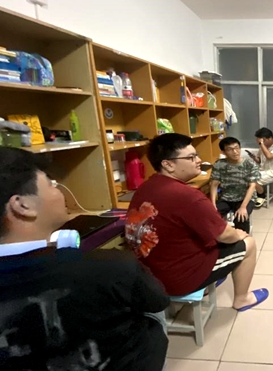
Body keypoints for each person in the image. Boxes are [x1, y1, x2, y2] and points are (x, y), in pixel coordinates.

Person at [0, 147, 169, 371]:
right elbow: (158, 301)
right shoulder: (111, 267)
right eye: (51, 184)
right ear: (23, 205)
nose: (60, 191)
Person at [126, 133, 268, 311]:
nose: (199, 160)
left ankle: (212, 278)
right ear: (168, 164)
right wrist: (238, 234)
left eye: (196, 155)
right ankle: (242, 299)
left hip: (147, 273)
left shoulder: (145, 187)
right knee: (248, 243)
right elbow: (225, 235)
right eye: (191, 157)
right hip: (174, 279)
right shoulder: (187, 196)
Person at [210, 137, 260, 233]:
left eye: (237, 148)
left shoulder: (250, 164)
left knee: (241, 218)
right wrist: (213, 205)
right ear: (223, 152)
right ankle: (221, 238)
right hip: (226, 198)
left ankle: (242, 240)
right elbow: (214, 185)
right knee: (211, 216)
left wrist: (243, 207)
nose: (235, 152)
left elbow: (252, 186)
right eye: (230, 149)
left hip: (245, 198)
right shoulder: (219, 164)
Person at [247, 128, 273, 207]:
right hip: (262, 170)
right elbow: (260, 161)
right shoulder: (263, 147)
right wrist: (253, 157)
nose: (261, 143)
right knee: (246, 176)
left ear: (270, 138)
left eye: (263, 140)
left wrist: (261, 144)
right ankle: (254, 195)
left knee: (253, 179)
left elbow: (269, 156)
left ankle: (261, 195)